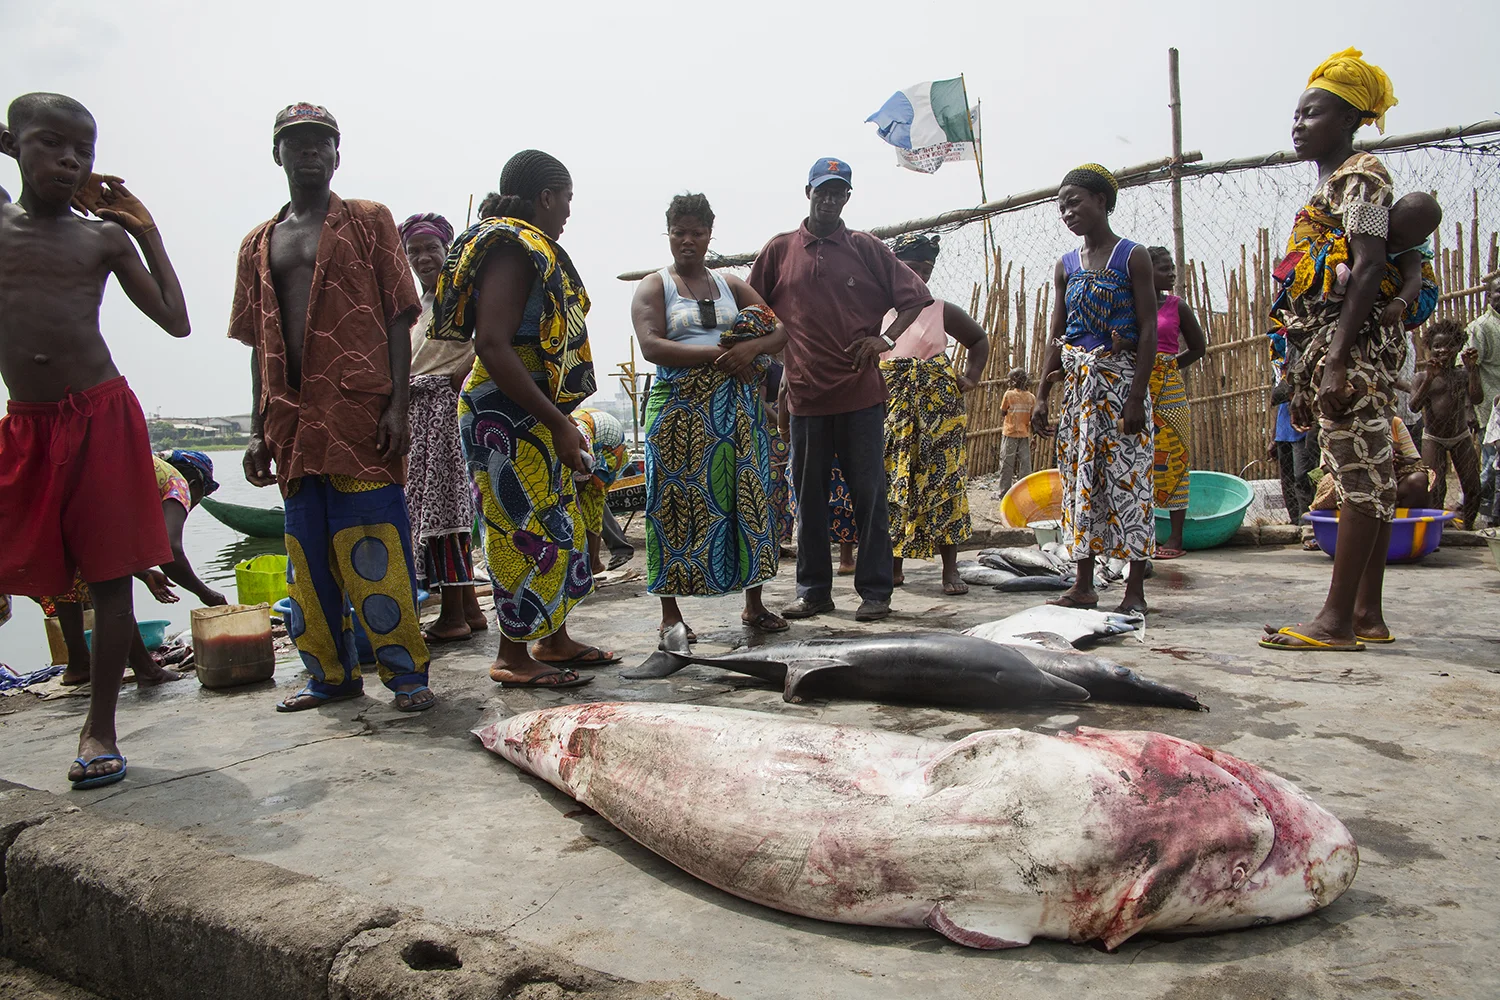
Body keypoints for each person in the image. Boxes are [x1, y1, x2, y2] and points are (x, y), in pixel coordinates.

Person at [0, 93, 191, 789]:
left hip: (102, 418)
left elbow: (176, 321)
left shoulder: (101, 238)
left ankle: (99, 728)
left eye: (83, 150)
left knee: (112, 579)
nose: (71, 160)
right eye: (51, 144)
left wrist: (147, 230)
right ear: (16, 144)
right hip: (28, 424)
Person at [231, 104, 434, 712]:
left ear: (337, 152)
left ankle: (406, 677)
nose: (310, 152)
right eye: (297, 143)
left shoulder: (370, 222)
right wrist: (255, 428)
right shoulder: (258, 243)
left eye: (322, 141)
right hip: (291, 424)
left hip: (357, 414)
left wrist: (398, 405)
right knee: (306, 558)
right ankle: (328, 676)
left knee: (377, 548)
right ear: (278, 155)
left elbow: (400, 316)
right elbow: (258, 341)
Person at [431, 149, 615, 687]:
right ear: (545, 197)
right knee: (519, 528)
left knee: (560, 521)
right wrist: (557, 423)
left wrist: (555, 418)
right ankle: (512, 656)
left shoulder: (526, 247)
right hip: (503, 412)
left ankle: (553, 638)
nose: (567, 213)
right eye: (566, 201)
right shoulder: (511, 249)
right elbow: (490, 343)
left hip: (530, 409)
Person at [1260, 48, 1404, 652]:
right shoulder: (1330, 183)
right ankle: (1367, 613)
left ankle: (1337, 621)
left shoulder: (1360, 176)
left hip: (1352, 346)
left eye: (1312, 113)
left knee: (1361, 475)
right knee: (1361, 473)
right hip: (1323, 342)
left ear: (1348, 120)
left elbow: (1369, 267)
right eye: (1296, 113)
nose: (1298, 124)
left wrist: (1339, 357)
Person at [749, 157, 933, 622]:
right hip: (807, 398)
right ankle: (813, 592)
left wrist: (886, 340)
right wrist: (771, 357)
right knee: (808, 500)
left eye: (838, 192)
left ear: (848, 197)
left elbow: (915, 298)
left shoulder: (865, 247)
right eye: (821, 191)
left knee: (868, 496)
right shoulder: (780, 250)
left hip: (861, 396)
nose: (829, 199)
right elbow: (752, 307)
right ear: (807, 192)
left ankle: (875, 593)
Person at [632, 193, 789, 639]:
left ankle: (753, 606)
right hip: (679, 413)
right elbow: (652, 345)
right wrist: (717, 355)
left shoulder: (730, 284)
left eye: (696, 232)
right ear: (668, 234)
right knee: (673, 504)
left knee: (746, 500)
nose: (687, 241)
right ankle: (670, 616)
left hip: (736, 413)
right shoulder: (653, 285)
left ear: (709, 235)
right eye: (679, 232)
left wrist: (751, 348)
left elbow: (778, 329)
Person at [1032, 164, 1157, 616]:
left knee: (1131, 483)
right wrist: (1045, 394)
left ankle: (1135, 590)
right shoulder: (1065, 265)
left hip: (1120, 383)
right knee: (1080, 483)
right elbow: (1057, 332)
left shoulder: (1132, 256)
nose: (1066, 211)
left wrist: (1136, 396)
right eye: (1061, 205)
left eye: (1075, 201)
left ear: (1102, 201)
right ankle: (1083, 583)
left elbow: (1146, 329)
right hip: (1080, 390)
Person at [49, 450, 229, 688]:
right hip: (85, 499)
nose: (195, 503)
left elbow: (110, 545)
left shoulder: (142, 472)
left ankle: (79, 664)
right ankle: (145, 669)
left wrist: (144, 573)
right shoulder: (178, 483)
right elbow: (171, 552)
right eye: (201, 495)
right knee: (114, 591)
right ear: (194, 483)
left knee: (71, 572)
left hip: (60, 492)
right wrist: (206, 593)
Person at [880, 233, 989, 595]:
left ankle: (950, 570)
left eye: (926, 269)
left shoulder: (940, 308)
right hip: (893, 409)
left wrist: (970, 378)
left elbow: (979, 340)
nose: (920, 276)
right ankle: (893, 566)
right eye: (913, 268)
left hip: (938, 410)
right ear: (895, 268)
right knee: (895, 483)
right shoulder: (877, 312)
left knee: (944, 484)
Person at [399, 212, 487, 644]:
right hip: (420, 415)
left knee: (446, 510)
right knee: (433, 509)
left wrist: (466, 369)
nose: (422, 257)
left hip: (446, 411)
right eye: (413, 251)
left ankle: (452, 614)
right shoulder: (416, 307)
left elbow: (490, 338)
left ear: (447, 249)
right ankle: (468, 607)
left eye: (431, 248)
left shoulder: (463, 295)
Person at [1146, 246, 1208, 558]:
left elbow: (1198, 347)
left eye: (1172, 268)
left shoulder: (1176, 305)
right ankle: (1142, 534)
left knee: (1175, 459)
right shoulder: (1132, 305)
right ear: (1146, 272)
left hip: (1170, 393)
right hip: (1137, 390)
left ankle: (1176, 538)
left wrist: (1167, 368)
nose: (1171, 274)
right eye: (1164, 268)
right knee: (1139, 460)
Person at [1410, 320, 1483, 527]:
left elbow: (1477, 398)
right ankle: (1435, 533)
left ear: (1459, 348)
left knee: (1472, 486)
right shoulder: (1421, 377)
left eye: (1449, 346)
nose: (1443, 351)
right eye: (1437, 347)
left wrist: (1473, 370)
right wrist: (1429, 379)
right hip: (1433, 438)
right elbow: (1414, 407)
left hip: (1460, 436)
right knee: (1436, 488)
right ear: (1429, 349)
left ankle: (1468, 528)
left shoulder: (1462, 375)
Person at [572, 406, 630, 574]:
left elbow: (582, 479)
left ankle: (593, 565)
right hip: (597, 430)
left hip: (609, 448)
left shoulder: (579, 447)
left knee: (591, 505)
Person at [1467, 277, 1500, 519]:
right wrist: (1469, 408)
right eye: (1498, 291)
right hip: (1490, 407)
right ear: (1489, 296)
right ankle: (1481, 510)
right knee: (1490, 465)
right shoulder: (1481, 327)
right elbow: (1467, 368)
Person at [997, 369, 1035, 496]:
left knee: (1007, 464)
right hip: (1024, 434)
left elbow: (1003, 412)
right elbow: (1032, 417)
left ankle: (1004, 492)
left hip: (1010, 433)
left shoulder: (1009, 395)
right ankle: (1023, 492)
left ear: (1014, 381)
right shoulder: (1031, 397)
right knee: (1025, 465)